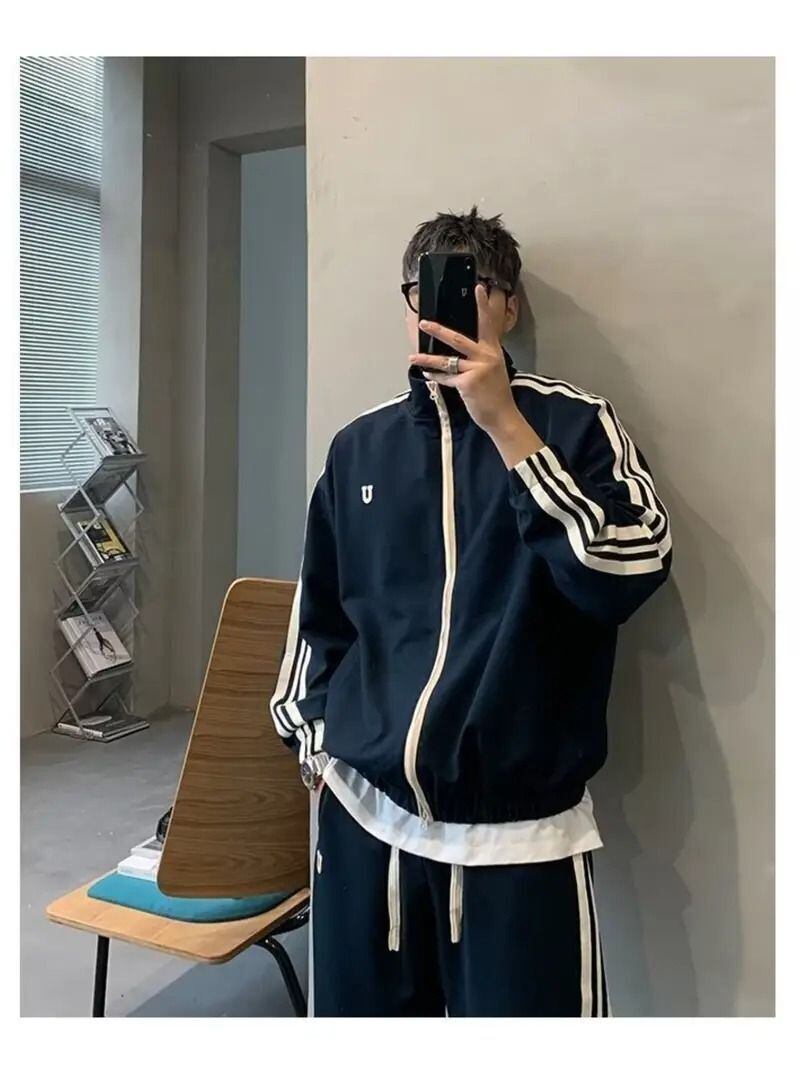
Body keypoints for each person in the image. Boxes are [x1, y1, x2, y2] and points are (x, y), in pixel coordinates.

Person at [269, 206, 673, 1017]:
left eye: (470, 286)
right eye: (423, 290)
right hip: (365, 826)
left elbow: (627, 569)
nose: (442, 307)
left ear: (508, 306)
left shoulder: (575, 425)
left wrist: (506, 427)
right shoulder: (360, 448)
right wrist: (317, 752)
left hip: (519, 839)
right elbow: (319, 618)